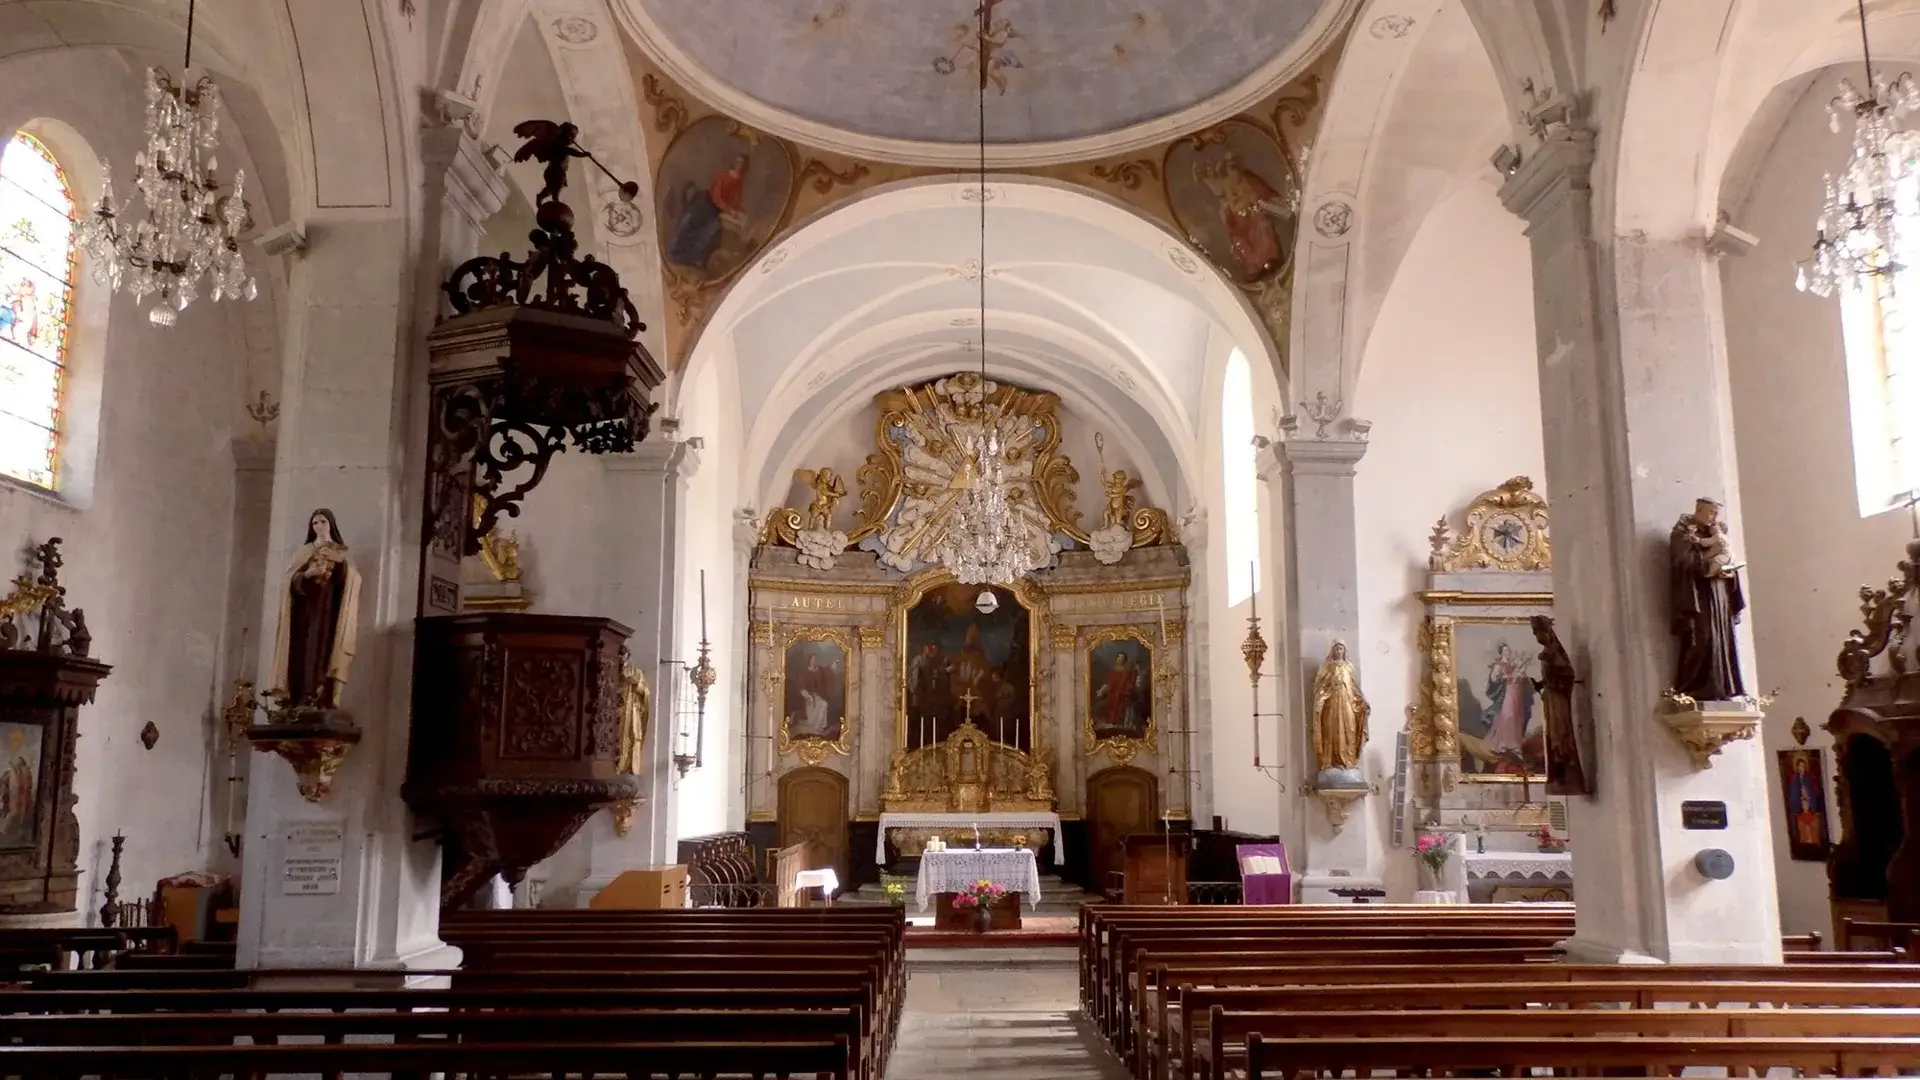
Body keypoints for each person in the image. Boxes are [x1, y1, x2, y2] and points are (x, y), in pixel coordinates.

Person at [269, 509, 363, 712]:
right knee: (305, 651)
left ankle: (321, 695)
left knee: (324, 651)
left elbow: (352, 580)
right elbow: (289, 581)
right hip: (305, 611)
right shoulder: (304, 551)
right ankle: (301, 696)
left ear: (331, 525)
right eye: (315, 523)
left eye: (323, 522)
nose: (319, 527)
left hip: (329, 612)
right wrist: (308, 574)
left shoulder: (341, 552)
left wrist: (340, 564)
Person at [1670, 497, 1748, 700]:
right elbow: (1683, 561)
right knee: (1702, 638)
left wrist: (1729, 572)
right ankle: (1694, 686)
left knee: (1723, 639)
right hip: (1700, 595)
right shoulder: (1683, 532)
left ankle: (1721, 688)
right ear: (1698, 509)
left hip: (1720, 593)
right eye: (1712, 512)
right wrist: (1707, 560)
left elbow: (1727, 557)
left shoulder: (1716, 532)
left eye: (1717, 513)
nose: (1715, 518)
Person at [1195, 152, 1293, 281]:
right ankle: (1254, 268)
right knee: (1240, 241)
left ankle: (1269, 259)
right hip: (1241, 221)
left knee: (1263, 226)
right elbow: (1232, 203)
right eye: (1230, 165)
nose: (1232, 167)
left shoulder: (1248, 178)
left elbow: (1262, 193)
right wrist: (1238, 205)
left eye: (1234, 163)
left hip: (1255, 215)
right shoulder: (1227, 184)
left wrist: (1256, 201)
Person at [1531, 615, 1589, 795]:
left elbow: (1566, 673)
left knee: (1560, 734)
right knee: (1553, 735)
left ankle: (1566, 767)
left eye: (1538, 632)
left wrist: (1552, 678)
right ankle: (1559, 771)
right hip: (1550, 699)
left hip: (1558, 699)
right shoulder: (1548, 652)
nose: (1537, 637)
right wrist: (1540, 684)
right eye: (1535, 633)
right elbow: (1551, 676)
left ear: (1547, 631)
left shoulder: (1555, 651)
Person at [1310, 641, 1369, 772]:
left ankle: (1349, 760)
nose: (1339, 651)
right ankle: (1332, 760)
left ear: (1344, 651)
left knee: (1350, 729)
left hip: (1348, 703)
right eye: (1336, 648)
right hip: (1332, 705)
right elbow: (1319, 686)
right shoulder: (1326, 667)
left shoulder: (1349, 667)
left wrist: (1362, 701)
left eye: (1341, 648)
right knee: (1333, 730)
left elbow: (1354, 688)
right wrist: (1321, 698)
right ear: (1332, 650)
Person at [1483, 642, 1534, 755]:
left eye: (1508, 650)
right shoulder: (1499, 665)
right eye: (1505, 651)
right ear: (1501, 653)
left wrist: (1521, 674)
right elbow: (1494, 678)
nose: (1508, 652)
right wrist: (1508, 677)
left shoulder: (1513, 663)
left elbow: (1520, 673)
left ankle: (1515, 744)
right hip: (1508, 691)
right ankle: (1502, 743)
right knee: (1508, 715)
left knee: (1518, 716)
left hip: (1517, 691)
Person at [1094, 650, 1143, 736]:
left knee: (1122, 709)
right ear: (1116, 659)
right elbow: (1108, 683)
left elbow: (1130, 682)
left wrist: (1126, 689)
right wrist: (1101, 691)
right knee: (1107, 708)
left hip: (1122, 695)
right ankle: (1112, 724)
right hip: (1112, 695)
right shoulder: (1112, 672)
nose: (1120, 659)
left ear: (1124, 660)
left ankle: (1120, 725)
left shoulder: (1127, 672)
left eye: (1122, 658)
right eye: (1119, 657)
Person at [1787, 753, 1826, 849]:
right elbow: (1793, 794)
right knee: (1803, 830)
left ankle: (1814, 846)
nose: (1801, 768)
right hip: (1799, 808)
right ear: (1797, 767)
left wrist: (1808, 797)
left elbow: (1815, 792)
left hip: (1810, 807)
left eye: (1803, 766)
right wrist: (1798, 801)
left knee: (1813, 828)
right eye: (1800, 766)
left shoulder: (1810, 778)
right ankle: (1805, 847)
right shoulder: (1794, 779)